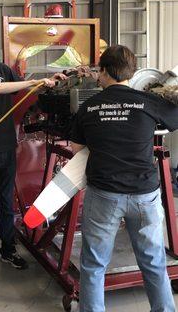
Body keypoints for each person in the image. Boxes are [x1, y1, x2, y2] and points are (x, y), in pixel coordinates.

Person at [70, 45, 178, 312]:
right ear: (132, 73)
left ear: (104, 72)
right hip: (144, 195)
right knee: (153, 262)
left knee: (94, 265)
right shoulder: (150, 102)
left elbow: (75, 149)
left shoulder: (89, 107)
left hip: (104, 194)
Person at [0, 38, 65, 278]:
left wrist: (48, 83)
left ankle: (8, 249)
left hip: (7, 146)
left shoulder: (2, 69)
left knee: (7, 203)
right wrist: (36, 79)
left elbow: (20, 87)